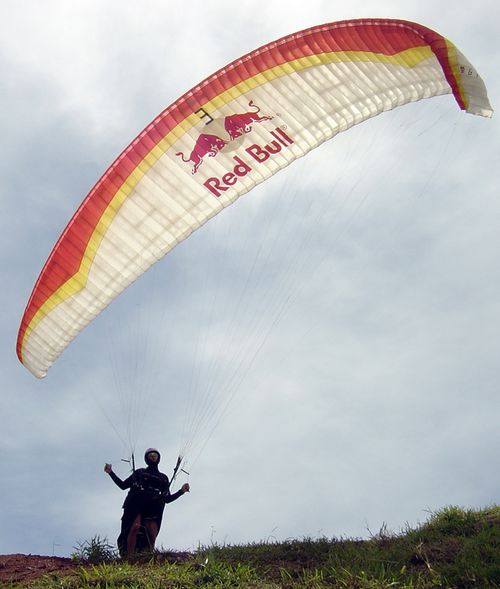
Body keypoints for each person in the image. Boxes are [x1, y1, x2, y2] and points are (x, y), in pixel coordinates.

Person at [104, 448, 189, 558]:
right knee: (134, 527)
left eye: (155, 455)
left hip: (154, 506)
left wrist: (181, 491)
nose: (153, 456)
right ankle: (129, 557)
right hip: (137, 503)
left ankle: (147, 557)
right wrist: (111, 472)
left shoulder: (163, 478)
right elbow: (123, 485)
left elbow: (167, 499)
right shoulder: (139, 472)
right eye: (150, 455)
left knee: (152, 533)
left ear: (158, 458)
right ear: (146, 458)